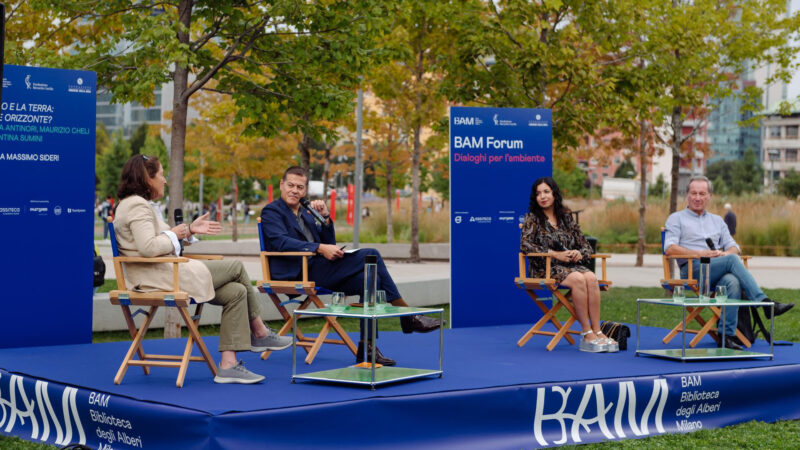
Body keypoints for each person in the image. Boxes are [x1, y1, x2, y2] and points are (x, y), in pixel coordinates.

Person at [113, 154, 291, 384]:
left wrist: (189, 230)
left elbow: (160, 239)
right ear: (147, 178)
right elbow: (148, 247)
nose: (165, 180)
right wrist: (177, 233)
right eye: (161, 175)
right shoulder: (137, 205)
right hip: (160, 277)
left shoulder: (135, 204)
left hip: (165, 273)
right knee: (236, 266)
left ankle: (228, 365)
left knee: (237, 291)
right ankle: (260, 332)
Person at [260, 166, 441, 366]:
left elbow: (330, 241)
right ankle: (408, 315)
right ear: (281, 185)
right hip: (297, 272)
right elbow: (280, 243)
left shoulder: (307, 213)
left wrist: (326, 219)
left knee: (370, 280)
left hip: (320, 269)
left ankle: (367, 348)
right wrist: (320, 248)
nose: (295, 190)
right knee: (371, 254)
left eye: (300, 187)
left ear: (305, 190)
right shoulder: (272, 211)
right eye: (291, 185)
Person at [664, 176, 794, 350]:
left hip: (717, 269)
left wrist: (723, 254)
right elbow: (670, 248)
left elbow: (734, 247)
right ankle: (765, 304)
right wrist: (699, 254)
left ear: (709, 196)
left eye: (702, 193)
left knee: (732, 281)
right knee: (732, 261)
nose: (697, 197)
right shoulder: (676, 218)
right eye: (693, 193)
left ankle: (726, 336)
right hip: (693, 270)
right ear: (687, 195)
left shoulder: (717, 220)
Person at [520, 177, 618, 353]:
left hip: (570, 267)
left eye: (546, 192)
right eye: (538, 193)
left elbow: (585, 245)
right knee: (579, 279)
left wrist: (579, 253)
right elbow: (526, 246)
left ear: (554, 194)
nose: (542, 196)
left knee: (591, 277)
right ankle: (586, 333)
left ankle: (597, 331)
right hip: (546, 269)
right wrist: (556, 254)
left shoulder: (566, 217)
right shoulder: (532, 219)